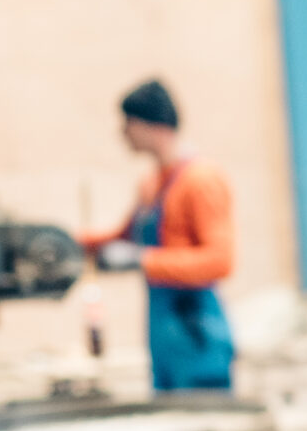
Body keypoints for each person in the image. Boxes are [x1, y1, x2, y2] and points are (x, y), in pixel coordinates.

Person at [83, 79, 237, 393]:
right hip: (163, 335)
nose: (123, 133)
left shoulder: (200, 180)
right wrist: (72, 244)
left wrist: (144, 261)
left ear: (149, 124)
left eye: (128, 123)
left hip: (195, 332)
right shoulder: (152, 185)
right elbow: (121, 238)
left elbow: (220, 261)